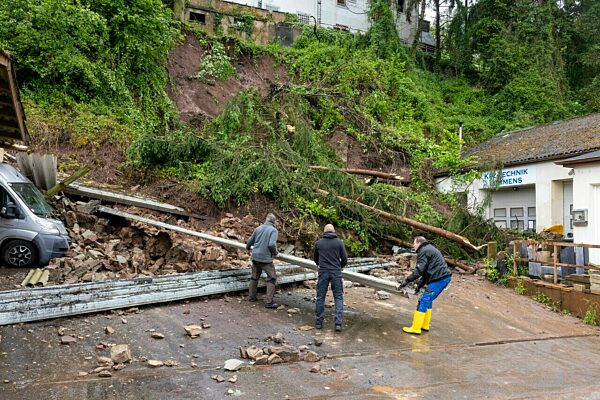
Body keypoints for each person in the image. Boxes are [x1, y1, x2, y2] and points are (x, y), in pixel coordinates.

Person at [397, 236, 452, 335]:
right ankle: (424, 325)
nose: (413, 245)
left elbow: (419, 271)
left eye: (414, 243)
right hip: (441, 278)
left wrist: (407, 280)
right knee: (428, 300)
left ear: (419, 243)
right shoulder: (429, 249)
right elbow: (426, 271)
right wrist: (419, 285)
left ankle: (416, 328)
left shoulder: (423, 251)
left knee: (424, 299)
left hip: (439, 279)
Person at [313, 224, 348, 331]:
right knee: (338, 297)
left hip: (323, 272)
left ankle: (319, 323)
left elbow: (315, 258)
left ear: (324, 231)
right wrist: (340, 267)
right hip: (335, 273)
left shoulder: (319, 243)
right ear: (333, 231)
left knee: (320, 297)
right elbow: (345, 259)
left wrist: (320, 265)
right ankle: (338, 324)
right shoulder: (339, 242)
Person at [246, 213, 279, 309]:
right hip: (265, 259)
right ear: (274, 221)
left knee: (254, 277)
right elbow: (271, 244)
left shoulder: (258, 228)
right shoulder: (273, 230)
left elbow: (249, 241)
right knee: (272, 278)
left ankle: (251, 297)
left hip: (255, 257)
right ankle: (269, 302)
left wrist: (248, 248)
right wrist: (276, 253)